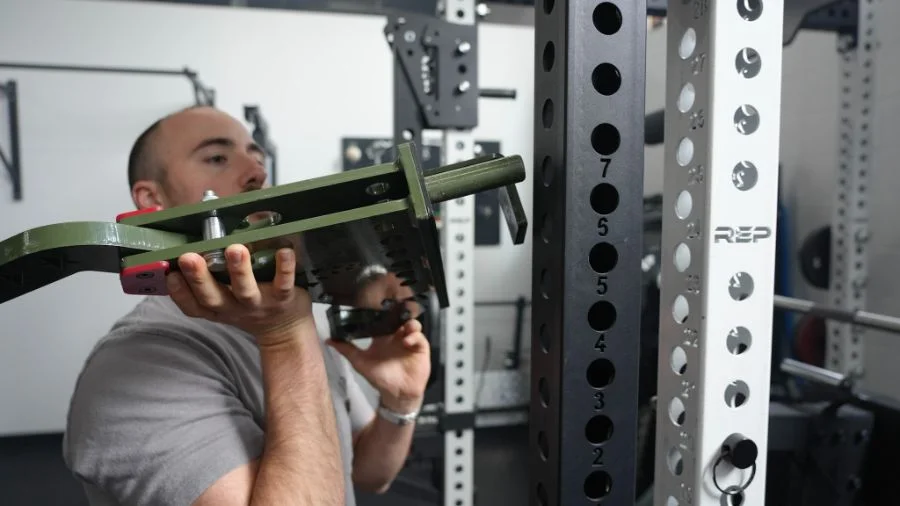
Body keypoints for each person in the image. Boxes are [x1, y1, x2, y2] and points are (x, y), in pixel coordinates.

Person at [62, 105, 432, 506]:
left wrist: (400, 403)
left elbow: (368, 472)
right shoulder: (130, 367)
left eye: (257, 157)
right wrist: (285, 335)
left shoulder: (289, 317)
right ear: (153, 201)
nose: (257, 173)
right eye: (217, 158)